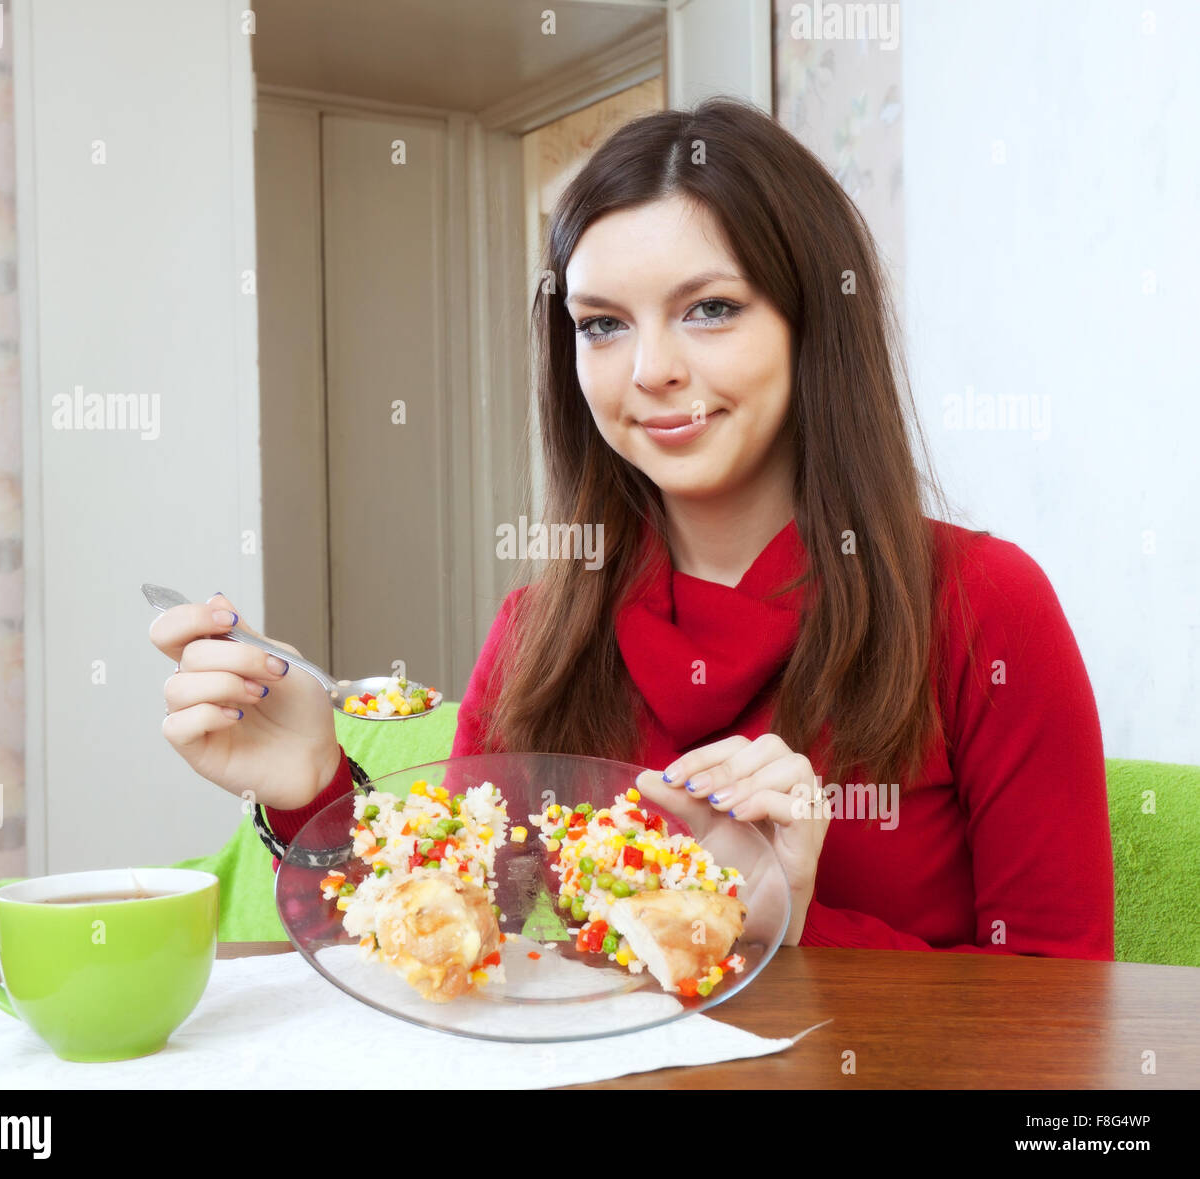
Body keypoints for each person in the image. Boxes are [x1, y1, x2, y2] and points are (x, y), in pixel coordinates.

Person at [149, 97, 1114, 959]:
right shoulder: (538, 630)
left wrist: (782, 919)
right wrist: (313, 786)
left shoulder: (985, 606)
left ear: (814, 325)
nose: (649, 368)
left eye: (711, 309)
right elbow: (450, 943)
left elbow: (1066, 1024)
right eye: (602, 324)